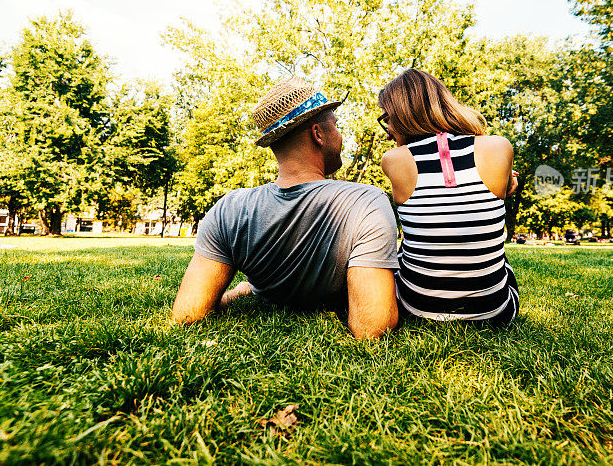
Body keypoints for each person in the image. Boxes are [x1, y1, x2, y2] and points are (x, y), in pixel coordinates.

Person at [171, 76, 400, 339]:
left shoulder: (229, 209)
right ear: (318, 134)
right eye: (335, 126)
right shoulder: (366, 202)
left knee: (247, 289)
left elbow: (188, 314)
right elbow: (373, 328)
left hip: (263, 291)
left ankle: (250, 290)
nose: (340, 135)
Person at [378, 68, 520, 324]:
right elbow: (497, 194)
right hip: (496, 313)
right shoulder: (498, 146)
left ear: (401, 114)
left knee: (411, 244)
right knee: (489, 242)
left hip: (417, 308)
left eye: (387, 118)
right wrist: (509, 180)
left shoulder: (393, 160)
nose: (387, 130)